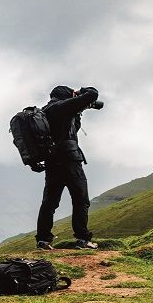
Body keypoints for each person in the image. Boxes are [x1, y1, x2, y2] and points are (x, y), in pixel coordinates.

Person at [36, 85, 104, 251]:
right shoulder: (62, 106)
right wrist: (79, 93)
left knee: (49, 202)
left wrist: (77, 112)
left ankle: (43, 240)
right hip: (69, 160)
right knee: (81, 200)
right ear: (67, 96)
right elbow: (93, 94)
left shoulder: (46, 111)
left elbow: (71, 130)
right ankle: (82, 239)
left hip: (52, 162)